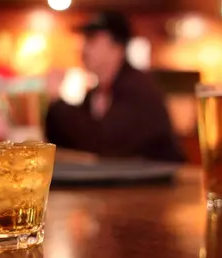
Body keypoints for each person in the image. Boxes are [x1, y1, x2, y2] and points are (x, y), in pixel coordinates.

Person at [45, 11, 185, 162]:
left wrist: (57, 101)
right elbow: (69, 141)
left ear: (117, 47)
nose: (82, 48)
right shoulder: (95, 94)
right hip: (127, 183)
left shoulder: (140, 89)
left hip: (163, 183)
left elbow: (102, 143)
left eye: (91, 39)